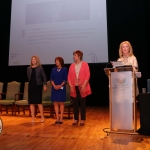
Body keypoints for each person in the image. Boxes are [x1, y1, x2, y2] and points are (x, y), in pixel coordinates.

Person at [68, 50, 91, 126]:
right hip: (74, 87)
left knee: (83, 103)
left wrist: (84, 84)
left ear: (79, 56)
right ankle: (75, 119)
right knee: (75, 104)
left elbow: (87, 75)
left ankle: (82, 119)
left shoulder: (85, 64)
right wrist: (71, 85)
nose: (74, 56)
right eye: (73, 55)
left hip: (82, 86)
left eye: (75, 55)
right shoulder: (72, 65)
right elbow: (69, 76)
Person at [27, 56, 47, 123]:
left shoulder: (40, 68)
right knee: (31, 102)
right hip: (31, 86)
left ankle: (42, 117)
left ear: (37, 60)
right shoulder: (29, 68)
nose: (33, 60)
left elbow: (44, 77)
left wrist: (45, 85)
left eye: (34, 59)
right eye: (32, 59)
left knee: (39, 102)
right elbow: (29, 77)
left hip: (38, 86)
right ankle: (33, 118)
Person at [50, 57, 68, 124]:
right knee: (55, 102)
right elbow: (51, 78)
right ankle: (57, 117)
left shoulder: (65, 69)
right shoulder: (53, 69)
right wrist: (54, 85)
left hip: (61, 88)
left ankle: (61, 118)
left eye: (58, 61)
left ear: (61, 61)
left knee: (61, 102)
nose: (56, 62)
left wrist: (60, 86)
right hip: (54, 88)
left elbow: (65, 79)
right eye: (56, 61)